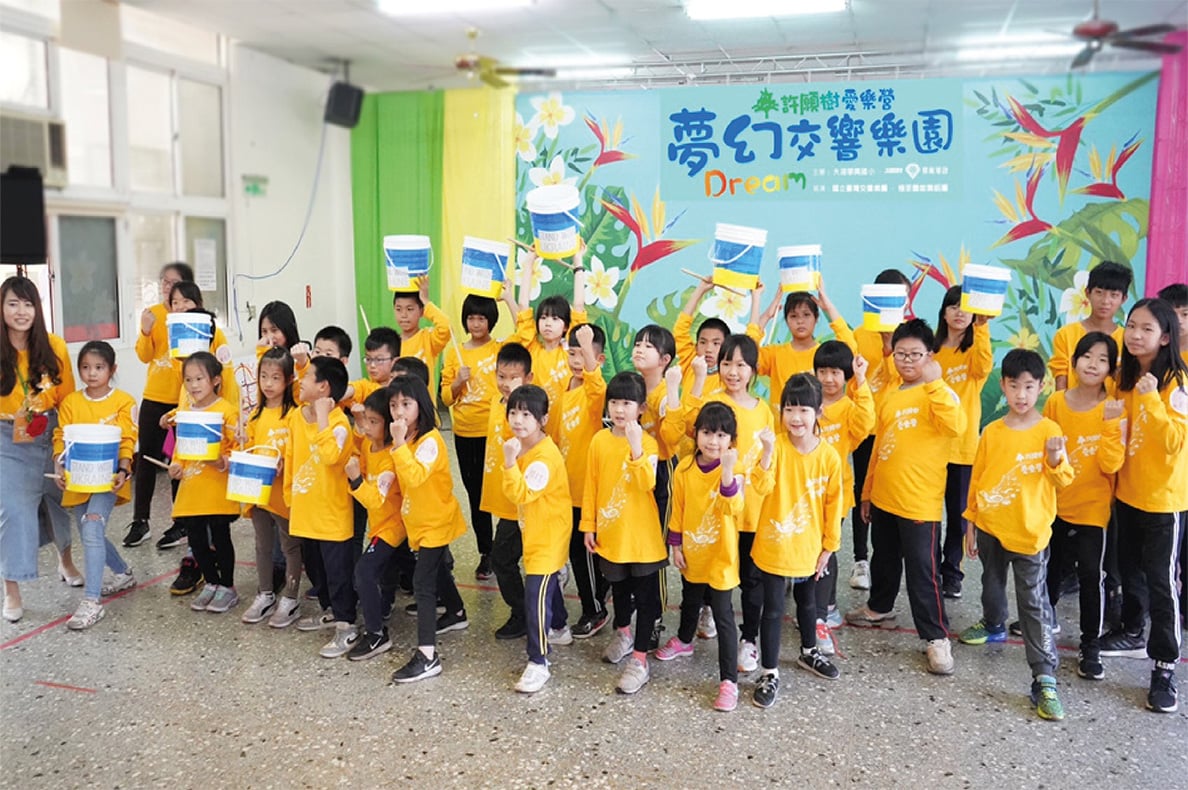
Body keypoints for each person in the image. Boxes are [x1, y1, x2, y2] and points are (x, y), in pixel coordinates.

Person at [958, 349, 1075, 721]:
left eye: (1028, 386)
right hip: (991, 526)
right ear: (1004, 387)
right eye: (1013, 386)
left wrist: (1055, 459)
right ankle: (993, 623)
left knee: (1033, 604)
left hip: (1031, 533)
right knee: (991, 583)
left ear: (1041, 387)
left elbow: (1063, 479)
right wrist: (971, 522)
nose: (1020, 394)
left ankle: (1044, 676)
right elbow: (978, 478)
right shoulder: (992, 431)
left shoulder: (1049, 431)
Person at [846, 318, 965, 676]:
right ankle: (879, 607)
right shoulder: (891, 395)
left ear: (931, 356)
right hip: (884, 497)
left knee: (923, 571)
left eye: (916, 354)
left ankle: (936, 638)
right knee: (883, 558)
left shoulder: (940, 393)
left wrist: (936, 383)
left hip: (919, 502)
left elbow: (956, 426)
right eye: (901, 354)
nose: (908, 361)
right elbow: (878, 447)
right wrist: (867, 492)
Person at [1105, 299, 1186, 714]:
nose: (1135, 335)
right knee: (1130, 572)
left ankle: (1165, 665)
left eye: (1147, 329)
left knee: (1161, 582)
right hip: (1127, 495)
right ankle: (1133, 632)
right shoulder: (1123, 377)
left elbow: (1175, 442)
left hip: (1163, 501)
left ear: (1166, 337)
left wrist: (1152, 398)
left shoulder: (1176, 382)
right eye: (1131, 326)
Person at [750, 374, 843, 709]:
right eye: (789, 409)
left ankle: (809, 651)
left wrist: (829, 547)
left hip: (809, 548)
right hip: (775, 546)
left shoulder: (829, 457)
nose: (796, 417)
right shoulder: (774, 446)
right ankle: (769, 672)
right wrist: (766, 452)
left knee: (808, 605)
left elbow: (834, 505)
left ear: (818, 412)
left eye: (804, 409)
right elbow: (760, 487)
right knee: (773, 610)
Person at [683, 335, 774, 672]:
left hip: (750, 512)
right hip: (716, 513)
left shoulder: (763, 410)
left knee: (751, 578)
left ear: (753, 369)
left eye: (740, 365)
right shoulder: (712, 400)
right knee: (712, 568)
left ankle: (748, 639)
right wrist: (696, 379)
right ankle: (706, 614)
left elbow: (767, 467)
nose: (733, 372)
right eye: (726, 363)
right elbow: (688, 430)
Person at [1037, 332, 1124, 680]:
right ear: (1073, 362)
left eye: (1103, 360)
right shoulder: (1056, 402)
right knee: (1050, 570)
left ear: (1111, 369)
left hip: (1093, 508)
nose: (1093, 364)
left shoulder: (1114, 407)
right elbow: (1043, 450)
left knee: (1091, 576)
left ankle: (1091, 644)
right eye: (1087, 356)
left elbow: (1112, 463)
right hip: (1056, 503)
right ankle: (1043, 627)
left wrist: (1112, 424)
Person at [655, 402, 744, 712]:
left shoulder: (734, 470)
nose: (713, 441)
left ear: (731, 440)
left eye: (721, 435)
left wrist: (727, 471)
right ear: (696, 434)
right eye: (707, 433)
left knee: (722, 613)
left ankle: (729, 681)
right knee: (690, 597)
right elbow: (677, 508)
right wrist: (676, 545)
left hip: (721, 556)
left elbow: (733, 507)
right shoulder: (684, 468)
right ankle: (684, 640)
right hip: (693, 550)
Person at [581, 372, 666, 695]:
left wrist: (635, 448)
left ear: (641, 408)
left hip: (642, 538)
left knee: (644, 597)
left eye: (627, 403)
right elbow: (591, 485)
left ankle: (640, 660)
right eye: (614, 402)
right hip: (611, 533)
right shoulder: (599, 441)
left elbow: (647, 483)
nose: (619, 409)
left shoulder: (648, 444)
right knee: (618, 588)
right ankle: (624, 633)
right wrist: (589, 524)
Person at [1, 276, 78, 622]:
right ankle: (11, 590)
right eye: (12, 304)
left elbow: (68, 401)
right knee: (14, 511)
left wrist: (65, 447)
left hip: (51, 432)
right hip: (7, 438)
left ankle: (66, 562)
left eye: (28, 304)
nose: (21, 311)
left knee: (59, 503)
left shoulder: (54, 347)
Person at [388, 375, 469, 683]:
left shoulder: (430, 441)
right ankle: (457, 611)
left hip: (435, 522)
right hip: (420, 522)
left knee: (423, 583)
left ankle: (427, 656)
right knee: (437, 571)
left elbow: (414, 477)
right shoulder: (409, 438)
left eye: (406, 404)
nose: (398, 411)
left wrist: (397, 444)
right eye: (393, 405)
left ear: (420, 405)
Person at [51, 341, 137, 629]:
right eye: (86, 367)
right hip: (78, 480)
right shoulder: (70, 403)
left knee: (91, 526)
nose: (92, 373)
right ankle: (123, 572)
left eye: (99, 367)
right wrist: (59, 465)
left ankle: (91, 601)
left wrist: (124, 468)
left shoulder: (124, 401)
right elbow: (60, 437)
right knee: (90, 530)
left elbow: (127, 439)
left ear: (112, 369)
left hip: (108, 480)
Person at [156, 283, 241, 552]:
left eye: (186, 301)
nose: (180, 307)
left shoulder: (212, 334)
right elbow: (187, 395)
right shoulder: (181, 350)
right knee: (190, 510)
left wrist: (230, 425)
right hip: (189, 435)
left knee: (215, 521)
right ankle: (195, 557)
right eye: (175, 302)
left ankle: (213, 564)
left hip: (215, 435)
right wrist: (174, 416)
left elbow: (226, 384)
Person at [501, 384, 573, 693]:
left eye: (527, 414)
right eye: (513, 413)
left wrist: (508, 462)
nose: (518, 420)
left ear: (543, 419)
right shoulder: (523, 446)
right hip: (534, 530)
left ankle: (538, 661)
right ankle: (559, 626)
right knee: (547, 584)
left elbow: (521, 492)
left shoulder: (543, 457)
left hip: (548, 535)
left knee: (535, 594)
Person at [286, 357, 359, 657]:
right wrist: (289, 496)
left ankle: (347, 625)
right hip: (305, 510)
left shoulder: (339, 424)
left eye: (306, 376)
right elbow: (291, 457)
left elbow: (330, 456)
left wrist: (323, 418)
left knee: (338, 573)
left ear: (323, 387)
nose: (300, 380)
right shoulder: (296, 417)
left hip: (331, 515)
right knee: (316, 568)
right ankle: (329, 610)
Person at [849, 268, 913, 587]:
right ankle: (860, 560)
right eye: (896, 299)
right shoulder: (859, 335)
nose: (902, 305)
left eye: (904, 299)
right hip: (864, 428)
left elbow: (902, 379)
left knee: (888, 494)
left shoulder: (907, 338)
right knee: (861, 491)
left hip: (894, 428)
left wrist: (890, 348)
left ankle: (886, 562)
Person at [165, 352, 241, 614]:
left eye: (199, 379)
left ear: (216, 380)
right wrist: (176, 465)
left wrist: (222, 461)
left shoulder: (227, 411)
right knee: (196, 540)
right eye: (188, 380)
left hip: (217, 487)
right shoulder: (185, 412)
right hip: (192, 489)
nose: (193, 385)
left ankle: (227, 586)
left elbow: (237, 447)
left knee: (220, 537)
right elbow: (181, 448)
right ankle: (210, 581)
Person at [125, 261, 193, 548]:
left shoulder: (193, 318)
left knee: (180, 462)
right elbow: (144, 356)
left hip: (184, 401)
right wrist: (145, 330)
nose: (167, 287)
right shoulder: (153, 314)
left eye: (173, 282)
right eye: (164, 281)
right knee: (146, 459)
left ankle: (181, 522)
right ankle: (140, 521)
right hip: (154, 397)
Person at [932, 285, 993, 600]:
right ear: (943, 312)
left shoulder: (975, 350)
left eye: (965, 307)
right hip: (931, 445)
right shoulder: (930, 350)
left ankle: (952, 573)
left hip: (963, 447)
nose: (959, 312)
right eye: (953, 306)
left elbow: (983, 367)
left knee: (957, 515)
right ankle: (930, 569)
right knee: (929, 514)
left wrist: (982, 327)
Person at [812, 340, 875, 649]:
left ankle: (828, 607)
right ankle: (810, 603)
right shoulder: (809, 404)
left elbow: (866, 423)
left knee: (828, 548)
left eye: (835, 372)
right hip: (806, 490)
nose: (828, 379)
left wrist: (861, 382)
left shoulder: (850, 407)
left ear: (846, 375)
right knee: (808, 547)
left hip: (835, 493)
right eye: (822, 371)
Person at [551, 324, 610, 639]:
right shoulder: (565, 388)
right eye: (572, 353)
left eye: (584, 355)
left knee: (583, 552)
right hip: (566, 486)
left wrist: (587, 348)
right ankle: (598, 597)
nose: (576, 360)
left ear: (598, 359)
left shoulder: (593, 392)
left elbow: (597, 387)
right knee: (581, 552)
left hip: (587, 490)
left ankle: (594, 610)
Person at [441, 294, 502, 580]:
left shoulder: (500, 349)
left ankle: (508, 549)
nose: (476, 324)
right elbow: (446, 398)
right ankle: (486, 552)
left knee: (503, 493)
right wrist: (457, 382)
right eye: (471, 318)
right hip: (465, 432)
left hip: (495, 432)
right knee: (476, 495)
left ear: (491, 320)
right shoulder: (455, 353)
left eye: (481, 318)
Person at [240, 347, 302, 628]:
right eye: (263, 376)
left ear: (288, 380)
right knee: (262, 545)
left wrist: (285, 464)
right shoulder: (255, 415)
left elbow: (299, 451)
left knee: (290, 547)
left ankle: (290, 598)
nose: (268, 383)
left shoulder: (294, 416)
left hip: (283, 495)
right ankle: (265, 594)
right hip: (258, 493)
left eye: (275, 378)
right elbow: (249, 448)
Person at [346, 390, 407, 661]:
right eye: (366, 421)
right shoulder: (370, 446)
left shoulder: (390, 457)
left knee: (364, 571)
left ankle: (376, 634)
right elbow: (361, 453)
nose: (367, 427)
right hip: (380, 523)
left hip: (393, 525)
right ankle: (385, 604)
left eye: (374, 422)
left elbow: (375, 498)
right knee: (392, 567)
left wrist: (355, 480)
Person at [482, 342, 534, 640]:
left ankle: (524, 612)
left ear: (528, 378)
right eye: (501, 376)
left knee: (503, 558)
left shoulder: (526, 412)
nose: (505, 383)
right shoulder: (496, 401)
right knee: (507, 557)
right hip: (504, 497)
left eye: (514, 378)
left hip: (521, 501)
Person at [747, 279, 856, 412]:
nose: (800, 321)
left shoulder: (825, 356)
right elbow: (746, 355)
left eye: (806, 315)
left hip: (817, 425)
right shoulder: (775, 354)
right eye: (794, 316)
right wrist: (766, 314)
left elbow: (850, 349)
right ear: (786, 320)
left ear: (816, 318)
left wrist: (828, 308)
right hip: (780, 425)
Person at [508, 246, 587, 408]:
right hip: (535, 420)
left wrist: (578, 261)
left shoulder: (571, 350)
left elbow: (579, 305)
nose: (548, 323)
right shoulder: (531, 348)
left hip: (566, 421)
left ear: (566, 326)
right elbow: (523, 305)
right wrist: (529, 262)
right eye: (543, 318)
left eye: (555, 318)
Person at [1050, 260, 1131, 392]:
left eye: (1114, 295)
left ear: (1123, 299)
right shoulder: (1065, 335)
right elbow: (1060, 380)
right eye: (1099, 292)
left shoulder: (1128, 340)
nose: (1105, 301)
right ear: (1087, 293)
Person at [391, 277, 450, 403]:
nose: (404, 315)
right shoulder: (391, 344)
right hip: (399, 408)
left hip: (425, 409)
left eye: (410, 309)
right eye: (398, 309)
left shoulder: (427, 338)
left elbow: (446, 327)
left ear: (422, 311)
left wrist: (426, 301)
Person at [674, 279, 729, 398]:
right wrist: (700, 290)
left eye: (716, 343)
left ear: (727, 348)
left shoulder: (730, 376)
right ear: (696, 345)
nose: (708, 349)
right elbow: (680, 330)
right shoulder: (690, 363)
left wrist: (756, 297)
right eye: (703, 342)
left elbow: (751, 342)